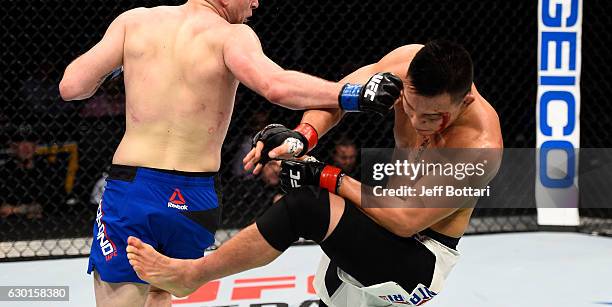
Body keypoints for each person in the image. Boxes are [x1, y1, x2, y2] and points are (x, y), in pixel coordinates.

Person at [59, 0, 402, 307]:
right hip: (193, 195)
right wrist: (352, 95)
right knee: (162, 292)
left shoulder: (134, 22)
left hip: (134, 189)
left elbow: (71, 87)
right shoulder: (230, 36)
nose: (256, 5)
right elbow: (277, 86)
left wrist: (125, 60)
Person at [125, 40, 503, 306]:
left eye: (434, 117)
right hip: (378, 223)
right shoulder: (405, 65)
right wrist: (301, 139)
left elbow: (405, 220)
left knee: (307, 205)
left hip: (418, 256)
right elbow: (337, 96)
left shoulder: (479, 147)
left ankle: (193, 276)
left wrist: (324, 174)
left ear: (465, 100)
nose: (418, 122)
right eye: (410, 106)